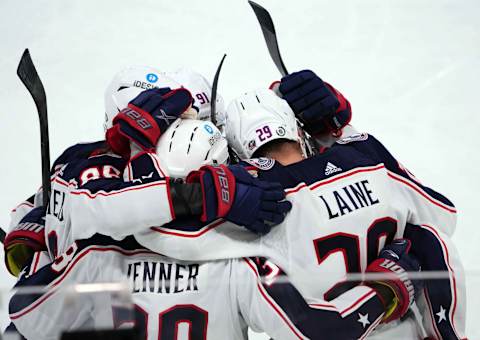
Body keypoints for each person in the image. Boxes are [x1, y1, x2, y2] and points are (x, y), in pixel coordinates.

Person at [9, 118, 418, 340]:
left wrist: (44, 249)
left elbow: (24, 318)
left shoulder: (96, 255)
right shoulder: (241, 263)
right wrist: (385, 289)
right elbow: (320, 332)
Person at [133, 73, 466, 339]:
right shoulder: (367, 157)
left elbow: (155, 232)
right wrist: (336, 130)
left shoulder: (257, 206)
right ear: (297, 129)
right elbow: (443, 216)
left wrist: (196, 193)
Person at [3, 66, 290, 276]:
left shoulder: (80, 161)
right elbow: (62, 204)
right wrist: (34, 223)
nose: (197, 128)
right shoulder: (82, 161)